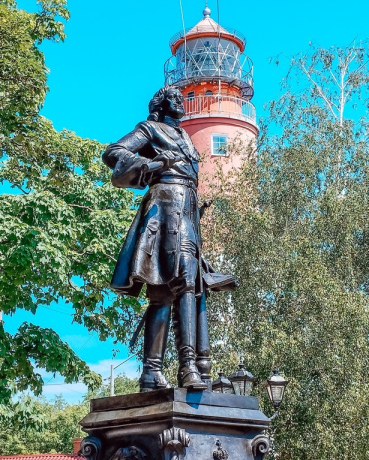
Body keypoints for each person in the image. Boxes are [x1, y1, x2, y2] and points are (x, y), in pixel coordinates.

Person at [102, 86, 236, 392]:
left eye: (181, 96)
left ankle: (177, 368)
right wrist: (150, 164)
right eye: (174, 97)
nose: (181, 101)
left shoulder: (186, 136)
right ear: (161, 104)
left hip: (187, 208)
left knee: (186, 284)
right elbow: (113, 152)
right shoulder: (150, 129)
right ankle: (183, 367)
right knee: (172, 287)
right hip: (165, 206)